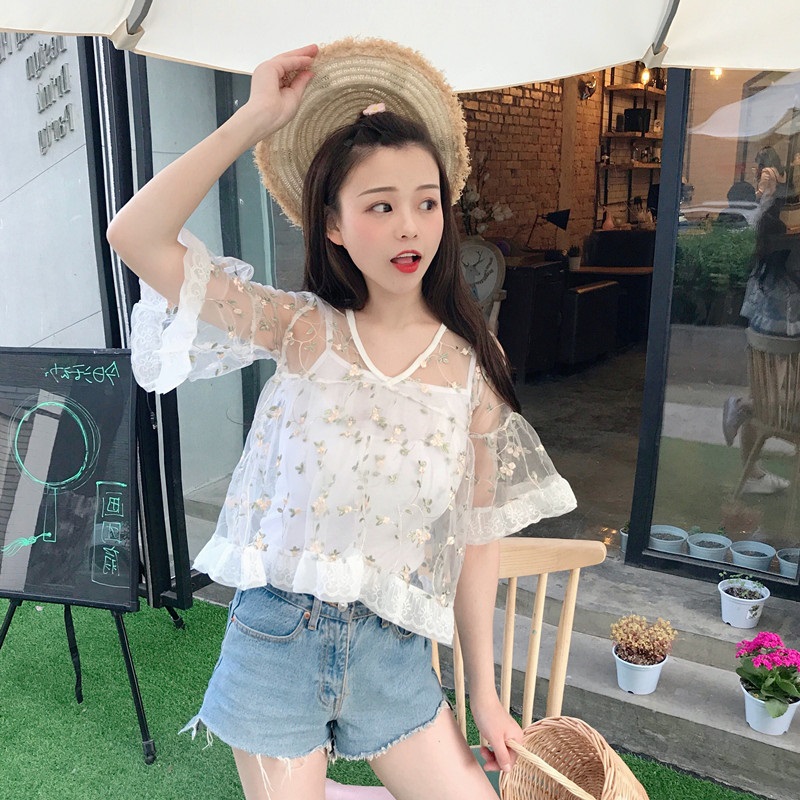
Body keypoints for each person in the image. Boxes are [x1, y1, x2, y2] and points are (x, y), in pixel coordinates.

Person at [107, 39, 577, 800]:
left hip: (394, 651)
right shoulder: (299, 329)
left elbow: (476, 535)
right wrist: (256, 118)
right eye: (380, 205)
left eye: (426, 202)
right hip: (275, 643)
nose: (409, 227)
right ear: (332, 224)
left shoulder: (472, 364)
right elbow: (135, 236)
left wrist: (485, 696)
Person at [722, 154, 797, 493]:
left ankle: (751, 470)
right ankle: (746, 407)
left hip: (762, 327)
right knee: (768, 395)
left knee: (762, 392)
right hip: (784, 407)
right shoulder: (787, 290)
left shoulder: (766, 267)